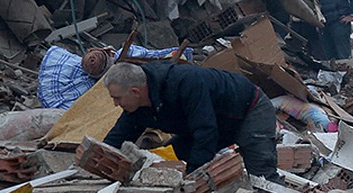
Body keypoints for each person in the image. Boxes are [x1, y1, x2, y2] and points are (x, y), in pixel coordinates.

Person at [102, 61, 279, 178]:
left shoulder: (185, 82)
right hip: (214, 121)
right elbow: (119, 136)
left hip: (249, 110)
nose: (116, 104)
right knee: (171, 160)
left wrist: (193, 177)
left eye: (117, 98)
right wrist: (95, 160)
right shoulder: (137, 105)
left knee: (261, 175)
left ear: (135, 91)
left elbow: (205, 131)